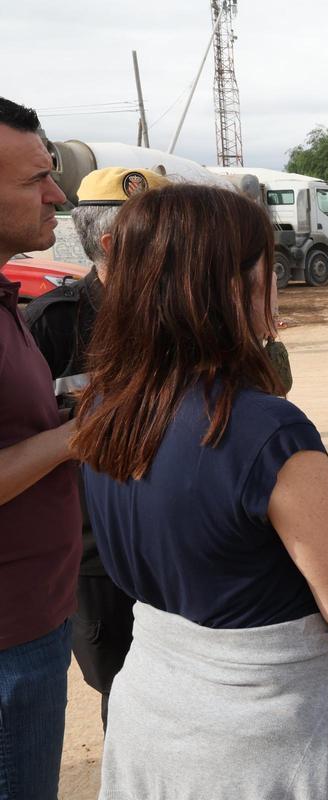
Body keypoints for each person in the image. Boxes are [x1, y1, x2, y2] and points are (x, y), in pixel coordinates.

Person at [73, 183, 328, 799]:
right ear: (229, 285)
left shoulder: (106, 404)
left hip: (151, 701)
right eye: (267, 267)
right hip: (263, 729)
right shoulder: (265, 428)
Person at [24, 166, 170, 731]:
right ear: (113, 244)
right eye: (163, 229)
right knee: (123, 689)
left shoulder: (182, 316)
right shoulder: (53, 324)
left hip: (177, 536)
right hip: (96, 553)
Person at [0, 95, 78, 800]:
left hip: (33, 621)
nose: (57, 194)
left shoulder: (8, 298)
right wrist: (75, 436)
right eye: (35, 180)